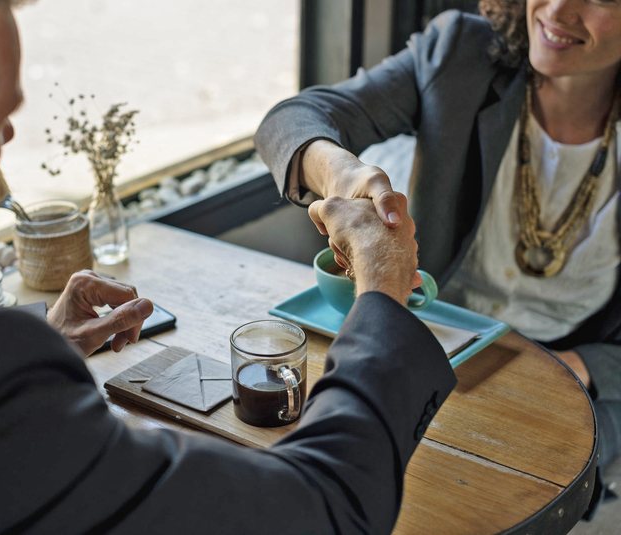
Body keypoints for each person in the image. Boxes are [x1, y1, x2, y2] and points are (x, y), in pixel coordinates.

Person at [0, 1, 456, 532]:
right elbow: (320, 509)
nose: (2, 149)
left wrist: (40, 347)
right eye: (1, 123)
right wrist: (381, 284)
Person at [255, 0, 620, 512]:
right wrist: (341, 175)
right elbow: (290, 121)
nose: (559, 10)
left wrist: (578, 366)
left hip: (572, 373)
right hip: (433, 344)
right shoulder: (462, 52)